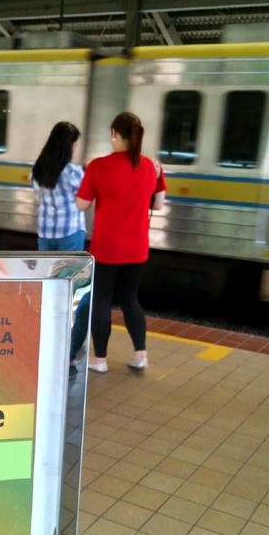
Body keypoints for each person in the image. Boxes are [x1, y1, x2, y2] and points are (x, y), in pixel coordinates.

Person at [76, 111, 166, 373]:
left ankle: (99, 360)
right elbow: (158, 205)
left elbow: (81, 204)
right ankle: (140, 355)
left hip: (106, 246)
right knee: (129, 299)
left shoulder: (98, 166)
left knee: (102, 299)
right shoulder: (152, 166)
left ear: (114, 133)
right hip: (136, 247)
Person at [30, 122, 85, 251]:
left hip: (45, 232)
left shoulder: (38, 169)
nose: (75, 148)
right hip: (70, 231)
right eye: (74, 144)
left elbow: (39, 192)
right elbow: (84, 199)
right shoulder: (73, 171)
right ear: (67, 146)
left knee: (47, 265)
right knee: (69, 266)